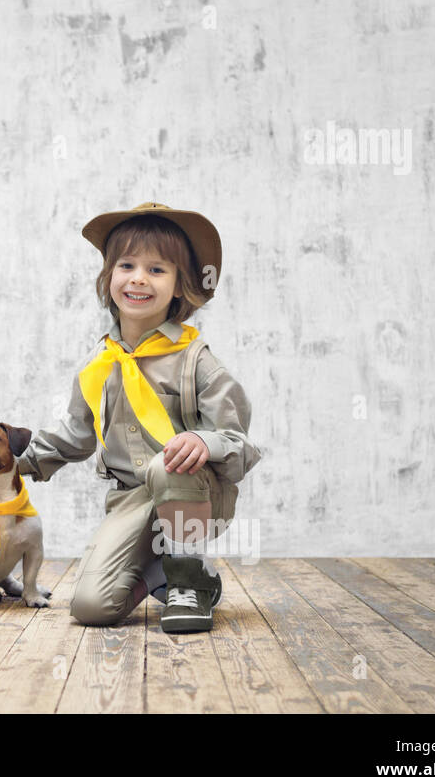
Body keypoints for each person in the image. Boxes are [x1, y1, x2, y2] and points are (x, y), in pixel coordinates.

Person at [14, 202, 262, 633]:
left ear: (182, 286)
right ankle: (159, 573)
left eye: (157, 269)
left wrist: (206, 442)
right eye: (126, 265)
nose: (139, 278)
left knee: (170, 463)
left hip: (196, 492)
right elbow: (75, 435)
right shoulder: (100, 362)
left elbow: (240, 444)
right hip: (133, 500)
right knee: (90, 608)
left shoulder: (195, 360)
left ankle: (190, 579)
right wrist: (14, 459)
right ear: (108, 277)